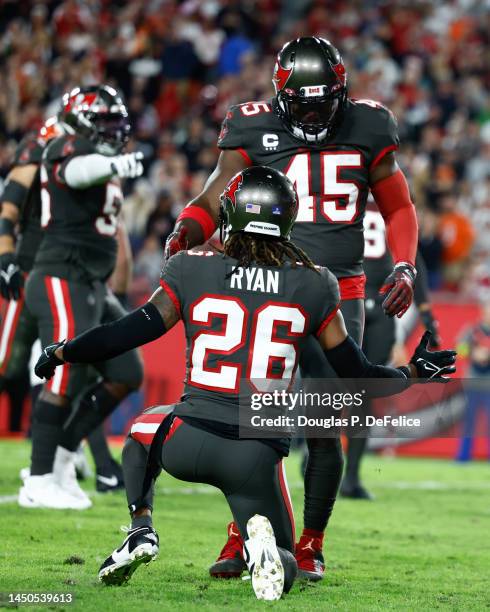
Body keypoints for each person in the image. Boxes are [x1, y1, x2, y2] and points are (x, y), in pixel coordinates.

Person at [35, 167, 455, 600]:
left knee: (141, 432)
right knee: (287, 561)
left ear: (229, 215)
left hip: (186, 437)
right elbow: (359, 374)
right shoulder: (314, 283)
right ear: (289, 218)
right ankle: (264, 549)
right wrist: (416, 373)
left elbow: (124, 333)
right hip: (254, 454)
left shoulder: (190, 268)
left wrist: (63, 350)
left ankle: (141, 527)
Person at [164, 36, 419, 580]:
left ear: (341, 91)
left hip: (336, 291)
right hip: (265, 285)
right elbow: (217, 189)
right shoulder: (250, 125)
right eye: (300, 102)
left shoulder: (370, 125)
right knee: (255, 423)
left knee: (326, 426)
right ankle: (244, 536)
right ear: (280, 94)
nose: (311, 112)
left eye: (321, 101)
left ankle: (310, 543)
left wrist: (404, 264)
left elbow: (398, 205)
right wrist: (191, 223)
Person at [18, 85, 145, 510]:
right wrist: (114, 162)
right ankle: (38, 481)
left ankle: (61, 457)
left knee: (127, 370)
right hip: (60, 273)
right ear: (84, 121)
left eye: (116, 121)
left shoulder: (97, 155)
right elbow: (76, 171)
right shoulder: (66, 145)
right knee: (65, 374)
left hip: (92, 281)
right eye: (104, 121)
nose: (113, 130)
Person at [339, 201, 442, 498]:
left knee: (365, 390)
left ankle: (352, 476)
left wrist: (425, 313)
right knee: (332, 383)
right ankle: (317, 450)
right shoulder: (349, 199)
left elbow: (413, 260)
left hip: (381, 301)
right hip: (349, 294)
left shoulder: (388, 206)